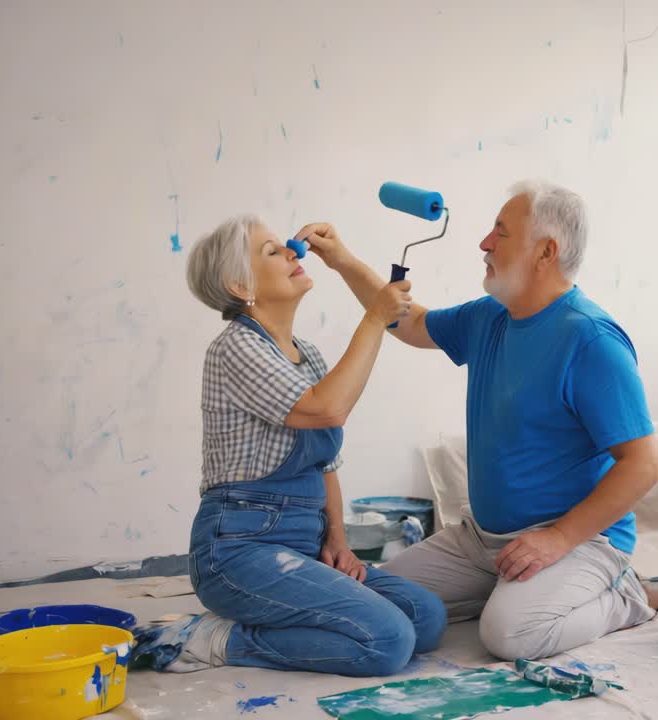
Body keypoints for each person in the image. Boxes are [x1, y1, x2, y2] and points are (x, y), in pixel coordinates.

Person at [294, 180, 658, 662]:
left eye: (500, 232)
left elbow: (643, 465)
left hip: (579, 542)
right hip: (484, 541)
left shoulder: (591, 341)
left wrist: (557, 539)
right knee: (367, 597)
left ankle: (629, 595)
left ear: (545, 251)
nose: (483, 243)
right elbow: (408, 322)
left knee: (509, 636)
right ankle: (509, 590)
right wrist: (342, 259)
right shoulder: (490, 317)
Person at [131, 214, 446, 677]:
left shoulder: (308, 355)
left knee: (426, 618)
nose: (294, 253)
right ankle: (219, 638)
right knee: (388, 641)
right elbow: (327, 409)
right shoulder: (235, 347)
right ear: (240, 285)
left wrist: (338, 541)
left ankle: (283, 605)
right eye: (272, 251)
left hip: (303, 545)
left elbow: (326, 463)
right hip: (237, 551)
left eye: (286, 246)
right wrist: (376, 316)